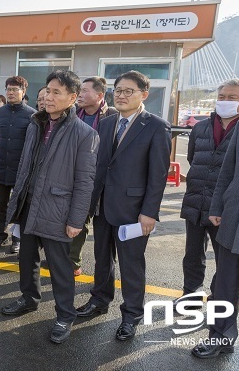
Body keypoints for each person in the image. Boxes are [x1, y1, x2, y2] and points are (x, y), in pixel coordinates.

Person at [1, 70, 99, 344]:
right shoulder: (36, 123)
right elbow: (24, 166)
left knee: (60, 267)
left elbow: (85, 182)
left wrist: (76, 220)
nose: (49, 97)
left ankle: (64, 315)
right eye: (47, 91)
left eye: (57, 92)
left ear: (73, 97)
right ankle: (29, 298)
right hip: (28, 204)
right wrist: (15, 199)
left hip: (58, 209)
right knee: (26, 257)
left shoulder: (84, 134)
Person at [76, 70, 172, 341]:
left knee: (131, 264)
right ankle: (99, 300)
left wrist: (149, 213)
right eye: (118, 90)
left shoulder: (155, 126)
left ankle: (131, 316)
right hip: (104, 206)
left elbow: (158, 175)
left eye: (128, 91)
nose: (121, 95)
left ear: (144, 94)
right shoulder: (106, 123)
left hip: (134, 210)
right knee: (102, 258)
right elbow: (100, 166)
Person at [178, 79, 239, 310]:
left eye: (232, 97)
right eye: (222, 96)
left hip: (227, 208)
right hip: (197, 199)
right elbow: (192, 158)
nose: (225, 101)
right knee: (193, 254)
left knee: (225, 261)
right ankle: (190, 295)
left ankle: (219, 298)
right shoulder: (201, 127)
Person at [191, 79, 239, 359]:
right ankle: (220, 337)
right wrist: (217, 207)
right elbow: (226, 172)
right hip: (235, 219)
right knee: (225, 284)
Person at [70, 77, 118, 276]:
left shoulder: (112, 116)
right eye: (79, 90)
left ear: (99, 95)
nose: (80, 94)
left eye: (85, 91)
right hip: (73, 174)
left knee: (88, 222)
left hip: (100, 181)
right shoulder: (73, 114)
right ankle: (70, 259)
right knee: (74, 219)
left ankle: (77, 262)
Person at [0, 76, 36, 253]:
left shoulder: (32, 114)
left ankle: (16, 240)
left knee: (18, 206)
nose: (10, 92)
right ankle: (0, 235)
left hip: (21, 170)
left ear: (23, 92)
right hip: (2, 166)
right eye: (8, 89)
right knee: (0, 205)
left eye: (15, 89)